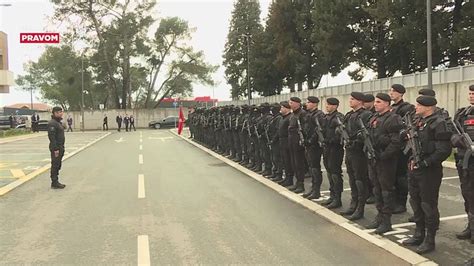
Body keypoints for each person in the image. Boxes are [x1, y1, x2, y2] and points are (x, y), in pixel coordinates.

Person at [402, 95, 452, 254]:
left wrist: (425, 162)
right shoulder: (417, 121)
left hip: (429, 171)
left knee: (428, 205)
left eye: (418, 105)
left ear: (428, 107)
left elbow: (444, 150)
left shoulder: (439, 124)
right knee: (415, 201)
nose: (415, 107)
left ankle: (429, 239)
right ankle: (419, 233)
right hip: (414, 168)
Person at [366, 93, 403, 234]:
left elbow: (396, 142)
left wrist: (383, 155)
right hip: (374, 158)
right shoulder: (374, 117)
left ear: (387, 104)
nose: (375, 104)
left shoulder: (393, 119)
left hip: (386, 160)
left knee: (386, 190)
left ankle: (386, 220)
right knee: (377, 189)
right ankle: (380, 216)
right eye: (375, 102)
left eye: (379, 102)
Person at [340, 92, 372, 221]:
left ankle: (360, 208)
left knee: (360, 180)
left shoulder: (366, 115)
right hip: (350, 151)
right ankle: (353, 204)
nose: (350, 101)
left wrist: (356, 141)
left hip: (359, 152)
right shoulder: (349, 115)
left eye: (353, 99)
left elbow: (366, 133)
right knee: (352, 179)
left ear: (360, 101)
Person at [451, 84, 474, 244]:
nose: (472, 96)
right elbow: (452, 133)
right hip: (464, 161)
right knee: (468, 195)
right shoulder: (461, 113)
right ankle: (471, 226)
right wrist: (459, 140)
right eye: (471, 93)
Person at [389, 84, 415, 214]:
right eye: (391, 91)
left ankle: (401, 202)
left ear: (401, 94)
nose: (391, 93)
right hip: (391, 145)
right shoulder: (390, 107)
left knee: (401, 176)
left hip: (402, 147)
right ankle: (393, 201)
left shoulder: (407, 108)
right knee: (391, 175)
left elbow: (407, 125)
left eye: (394, 91)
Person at [321, 97, 345, 209]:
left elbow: (341, 133)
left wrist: (331, 140)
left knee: (335, 173)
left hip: (335, 148)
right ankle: (332, 195)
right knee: (329, 172)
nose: (327, 106)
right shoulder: (326, 117)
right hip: (327, 147)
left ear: (335, 106)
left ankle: (337, 198)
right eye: (327, 104)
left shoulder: (338, 117)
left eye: (329, 105)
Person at [302, 96, 325, 200]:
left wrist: (311, 140)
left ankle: (317, 191)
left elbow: (318, 130)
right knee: (311, 167)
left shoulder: (319, 115)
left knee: (315, 168)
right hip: (308, 144)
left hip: (315, 145)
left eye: (309, 102)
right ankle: (313, 188)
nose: (306, 104)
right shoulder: (308, 114)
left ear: (315, 104)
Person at [287, 97, 307, 194]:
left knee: (299, 164)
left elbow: (304, 128)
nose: (290, 104)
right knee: (294, 163)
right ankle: (297, 183)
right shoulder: (292, 115)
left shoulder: (302, 114)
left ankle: (301, 184)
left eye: (291, 102)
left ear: (297, 103)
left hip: (298, 142)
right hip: (292, 142)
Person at [48, 107, 66, 189]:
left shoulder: (58, 123)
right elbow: (52, 137)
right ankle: (54, 182)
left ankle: (56, 181)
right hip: (56, 147)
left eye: (61, 112)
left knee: (58, 164)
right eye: (59, 112)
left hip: (60, 146)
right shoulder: (52, 123)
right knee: (55, 164)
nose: (61, 113)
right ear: (54, 113)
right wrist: (55, 149)